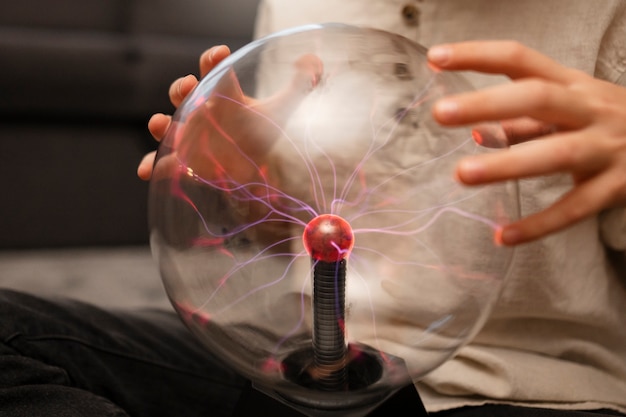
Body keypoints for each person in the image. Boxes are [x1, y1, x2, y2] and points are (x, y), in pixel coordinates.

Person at [2, 1, 625, 416]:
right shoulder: (298, 6)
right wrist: (241, 184)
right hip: (292, 364)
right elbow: (277, 222)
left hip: (516, 391)